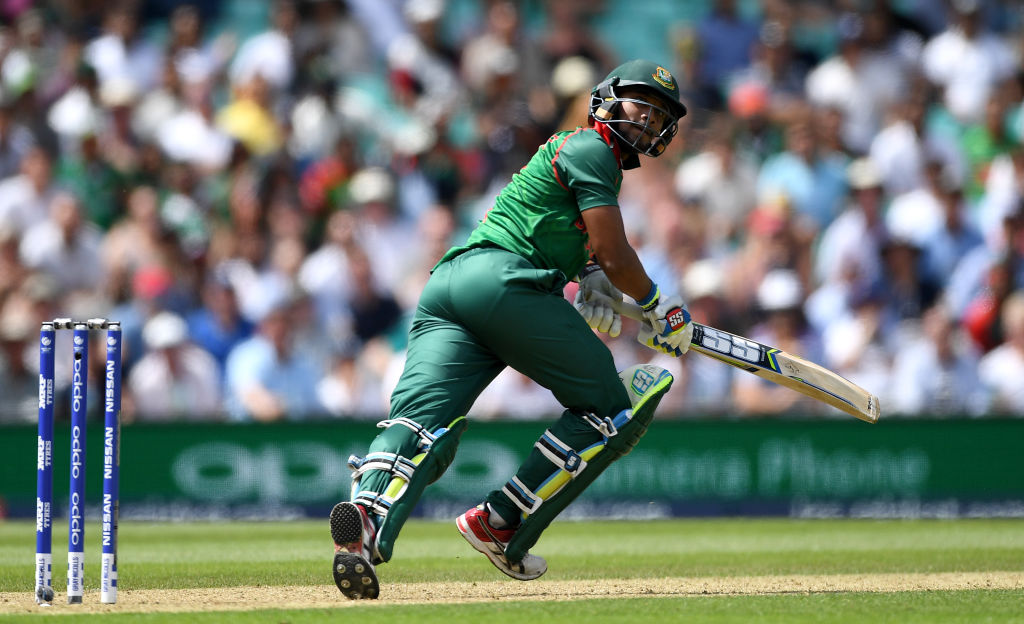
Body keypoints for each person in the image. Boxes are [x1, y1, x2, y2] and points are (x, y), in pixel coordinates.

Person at [328, 59, 694, 600]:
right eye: (641, 102)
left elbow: (575, 236)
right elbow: (616, 253)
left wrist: (589, 273)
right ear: (605, 101)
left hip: (450, 285)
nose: (649, 116)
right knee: (610, 410)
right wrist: (657, 304)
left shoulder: (569, 151)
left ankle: (364, 520)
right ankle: (499, 522)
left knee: (424, 425)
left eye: (659, 112)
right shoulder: (593, 149)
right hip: (507, 284)